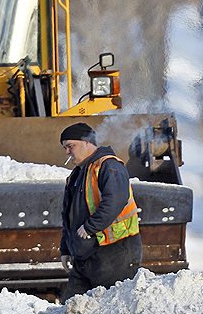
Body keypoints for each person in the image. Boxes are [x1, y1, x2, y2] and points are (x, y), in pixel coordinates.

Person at [58, 122, 143, 302]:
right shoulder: (76, 175)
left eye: (70, 146)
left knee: (113, 309)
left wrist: (90, 227)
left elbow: (115, 200)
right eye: (65, 148)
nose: (67, 152)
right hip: (85, 257)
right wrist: (66, 248)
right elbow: (69, 216)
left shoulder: (108, 166)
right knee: (71, 310)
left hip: (114, 254)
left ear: (87, 142)